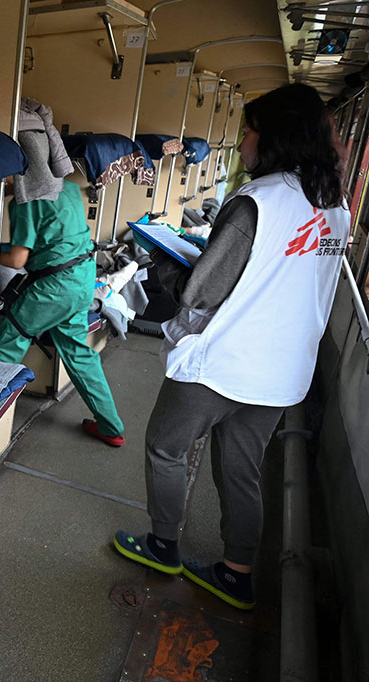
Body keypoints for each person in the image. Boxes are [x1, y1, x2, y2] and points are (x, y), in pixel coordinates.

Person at [113, 83, 350, 610]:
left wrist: (170, 263)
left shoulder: (256, 204)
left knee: (165, 448)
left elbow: (202, 292)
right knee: (241, 467)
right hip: (283, 370)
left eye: (248, 131)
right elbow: (301, 273)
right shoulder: (335, 207)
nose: (241, 142)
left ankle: (163, 545)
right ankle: (237, 572)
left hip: (224, 361)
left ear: (275, 139)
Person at [0, 178, 126, 447]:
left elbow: (17, 260)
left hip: (54, 288)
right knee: (79, 354)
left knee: (6, 343)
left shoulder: (25, 200)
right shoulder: (68, 187)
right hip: (82, 278)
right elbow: (49, 240)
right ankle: (111, 428)